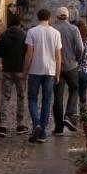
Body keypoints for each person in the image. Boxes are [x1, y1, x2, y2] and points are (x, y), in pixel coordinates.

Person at [24, 8, 62, 144]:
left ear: (38, 17)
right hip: (50, 71)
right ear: (49, 18)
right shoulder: (56, 33)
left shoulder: (32, 32)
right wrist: (57, 73)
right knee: (47, 100)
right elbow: (58, 56)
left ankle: (37, 124)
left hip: (35, 70)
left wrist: (25, 72)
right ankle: (43, 132)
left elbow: (29, 54)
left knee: (32, 98)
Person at [0, 13, 27, 138]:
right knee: (21, 97)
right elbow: (27, 53)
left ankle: (3, 126)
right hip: (20, 70)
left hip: (7, 70)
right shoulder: (24, 35)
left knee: (5, 97)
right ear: (19, 23)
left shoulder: (3, 35)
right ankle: (20, 124)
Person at [52, 7, 84, 136]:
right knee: (74, 89)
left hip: (56, 68)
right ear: (67, 16)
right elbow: (80, 48)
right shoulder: (74, 29)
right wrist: (76, 58)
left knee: (57, 98)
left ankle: (58, 128)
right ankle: (69, 115)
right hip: (71, 66)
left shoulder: (53, 29)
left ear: (57, 16)